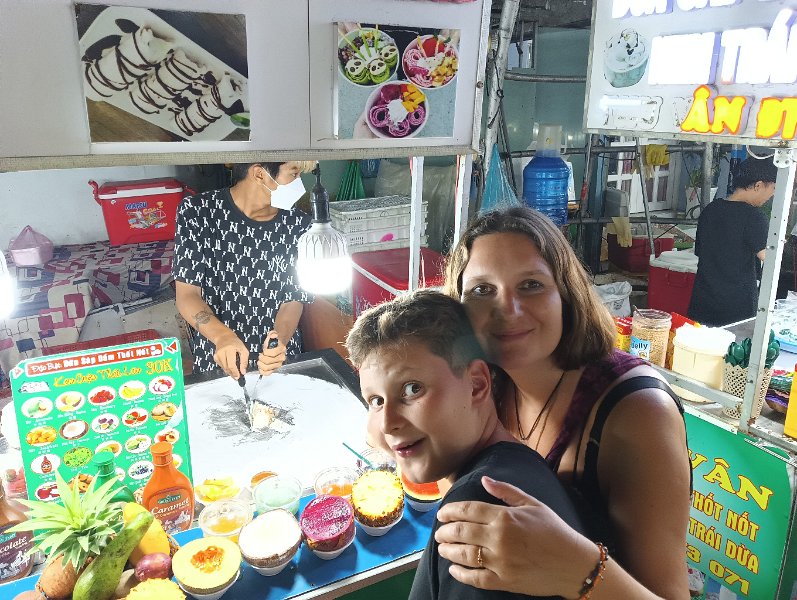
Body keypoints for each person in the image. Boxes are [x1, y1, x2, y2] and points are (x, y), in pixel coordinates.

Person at [436, 206, 691, 599]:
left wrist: (580, 570)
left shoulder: (637, 413)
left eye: (531, 285)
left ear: (566, 295)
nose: (508, 310)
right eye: (482, 291)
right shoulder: (487, 384)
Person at [345, 290, 586, 600]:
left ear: (476, 384)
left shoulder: (479, 510)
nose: (387, 423)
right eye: (376, 401)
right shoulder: (513, 465)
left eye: (412, 389)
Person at [173, 161, 316, 378]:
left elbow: (293, 300)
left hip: (277, 361)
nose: (299, 184)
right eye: (294, 174)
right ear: (260, 174)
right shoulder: (197, 212)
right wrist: (222, 337)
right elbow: (187, 295)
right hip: (217, 355)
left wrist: (279, 342)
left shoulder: (299, 225)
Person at [688, 157, 778, 326]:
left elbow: (700, 251)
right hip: (736, 310)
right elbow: (770, 258)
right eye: (773, 188)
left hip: (702, 302)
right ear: (758, 185)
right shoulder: (754, 217)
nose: (772, 194)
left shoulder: (710, 210)